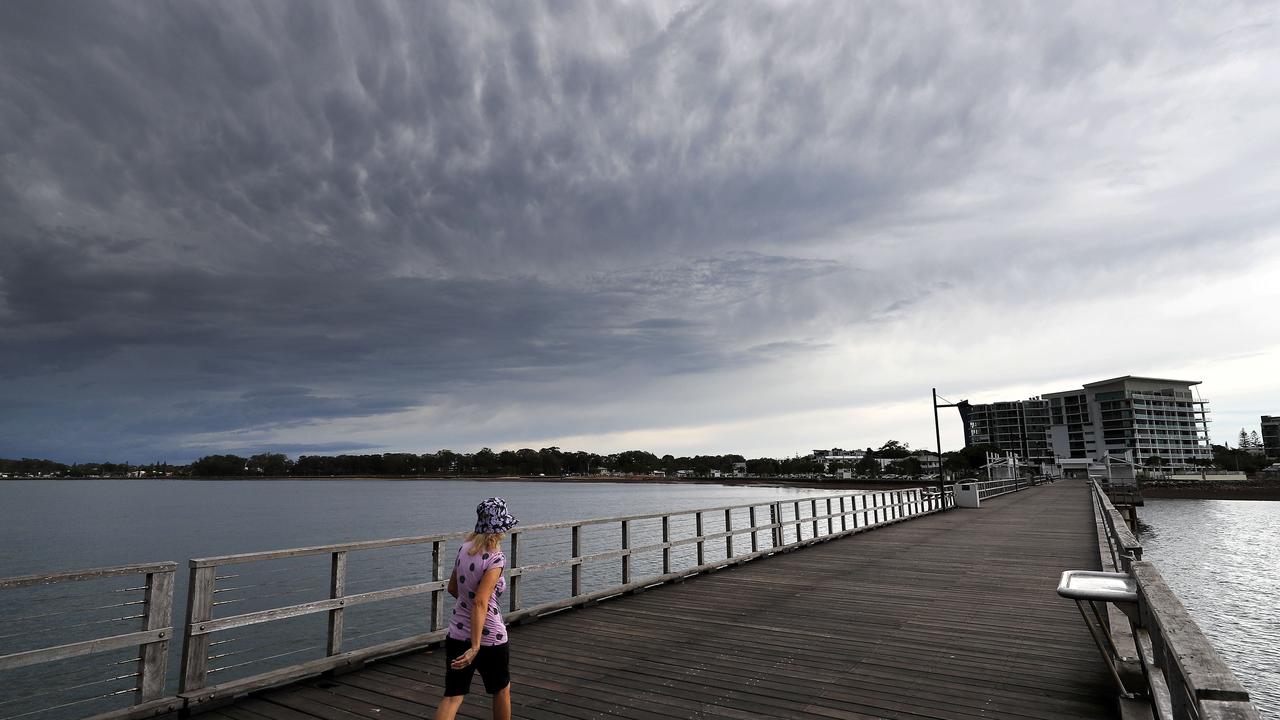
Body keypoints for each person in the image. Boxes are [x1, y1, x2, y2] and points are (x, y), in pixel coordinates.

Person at [433, 497, 518, 720]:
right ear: (499, 528)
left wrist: (467, 607)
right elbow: (481, 602)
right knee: (501, 689)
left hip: (457, 632)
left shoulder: (464, 549)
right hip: (489, 637)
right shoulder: (496, 558)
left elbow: (453, 588)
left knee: (453, 696)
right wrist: (476, 645)